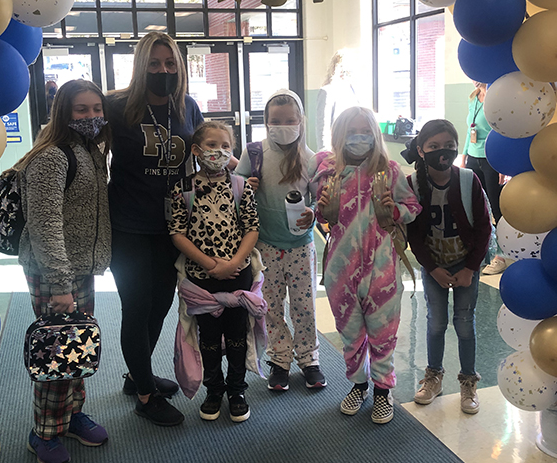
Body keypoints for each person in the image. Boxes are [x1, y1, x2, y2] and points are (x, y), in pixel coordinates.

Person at [107, 32, 203, 428]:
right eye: (154, 64)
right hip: (128, 225)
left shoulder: (188, 107)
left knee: (161, 305)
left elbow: (203, 157)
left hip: (173, 228)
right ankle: (146, 395)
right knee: (137, 306)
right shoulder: (117, 107)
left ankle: (137, 374)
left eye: (169, 64)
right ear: (140, 66)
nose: (162, 71)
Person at [17, 79, 111, 463]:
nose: (90, 117)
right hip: (53, 270)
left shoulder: (90, 150)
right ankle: (43, 433)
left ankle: (70, 416)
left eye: (95, 109)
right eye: (81, 110)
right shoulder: (51, 157)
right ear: (63, 112)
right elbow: (43, 224)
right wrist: (60, 285)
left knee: (77, 347)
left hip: (80, 269)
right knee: (55, 353)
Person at [310, 106, 421, 424]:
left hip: (382, 268)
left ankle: (383, 392)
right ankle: (359, 385)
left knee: (383, 333)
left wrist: (395, 211)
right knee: (350, 332)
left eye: (365, 132)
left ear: (375, 135)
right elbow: (324, 218)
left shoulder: (389, 171)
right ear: (339, 137)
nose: (359, 138)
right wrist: (323, 212)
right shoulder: (328, 172)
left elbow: (412, 205)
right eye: (351, 132)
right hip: (340, 270)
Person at [168, 121, 260, 422]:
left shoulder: (241, 186)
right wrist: (211, 265)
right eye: (211, 145)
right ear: (196, 150)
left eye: (225, 146)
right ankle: (213, 389)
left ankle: (236, 389)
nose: (218, 152)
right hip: (200, 278)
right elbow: (177, 233)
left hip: (238, 274)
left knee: (236, 335)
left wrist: (233, 263)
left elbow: (252, 229)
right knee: (207, 337)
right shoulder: (182, 189)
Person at [236, 89, 326, 392]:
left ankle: (309, 359)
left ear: (300, 121)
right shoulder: (254, 152)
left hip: (301, 248)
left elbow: (317, 201)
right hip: (266, 247)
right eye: (276, 120)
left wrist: (312, 213)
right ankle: (279, 359)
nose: (284, 125)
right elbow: (235, 192)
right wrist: (245, 186)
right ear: (266, 122)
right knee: (272, 306)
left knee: (305, 306)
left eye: (290, 120)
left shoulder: (311, 159)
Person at [405, 119, 492, 414]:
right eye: (433, 147)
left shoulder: (468, 179)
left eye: (448, 146)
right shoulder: (413, 184)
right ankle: (433, 376)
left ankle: (468, 380)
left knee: (465, 323)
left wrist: (470, 268)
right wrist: (431, 268)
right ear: (421, 150)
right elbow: (413, 235)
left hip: (465, 263)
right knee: (436, 322)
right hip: (434, 267)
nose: (441, 152)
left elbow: (483, 229)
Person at [463, 82, 506, 275]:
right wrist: (463, 155)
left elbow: (502, 130)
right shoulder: (473, 98)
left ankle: (501, 255)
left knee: (496, 208)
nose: (475, 80)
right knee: (474, 205)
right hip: (473, 156)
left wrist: (503, 163)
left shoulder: (497, 96)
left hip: (492, 158)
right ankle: (479, 250)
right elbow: (469, 129)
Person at [316, 49, 358, 151]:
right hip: (335, 149)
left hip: (353, 148)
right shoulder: (327, 91)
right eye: (342, 69)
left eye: (349, 70)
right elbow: (322, 127)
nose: (345, 73)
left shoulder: (354, 91)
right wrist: (324, 153)